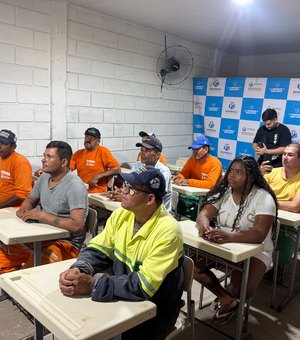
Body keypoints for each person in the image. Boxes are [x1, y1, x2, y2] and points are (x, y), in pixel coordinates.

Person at [59, 166, 184, 340]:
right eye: (125, 184)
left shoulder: (168, 231)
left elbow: (144, 287)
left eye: (131, 189)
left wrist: (92, 284)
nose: (122, 190)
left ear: (149, 199)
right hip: (124, 294)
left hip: (156, 307)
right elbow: (98, 249)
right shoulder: (121, 215)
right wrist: (81, 269)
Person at [194, 155, 277, 325]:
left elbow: (259, 234)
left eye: (239, 172)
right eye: (231, 170)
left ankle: (230, 296)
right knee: (193, 266)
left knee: (241, 290)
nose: (231, 175)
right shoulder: (225, 192)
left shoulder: (263, 198)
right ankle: (226, 299)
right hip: (226, 246)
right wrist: (204, 225)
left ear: (251, 176)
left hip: (256, 250)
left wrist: (228, 236)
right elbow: (204, 214)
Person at [0, 141, 88, 273]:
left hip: (64, 243)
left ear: (63, 162)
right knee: (3, 261)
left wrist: (42, 215)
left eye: (49, 157)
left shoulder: (74, 186)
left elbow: (77, 226)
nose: (43, 160)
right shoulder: (45, 176)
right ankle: (13, 283)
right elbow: (30, 199)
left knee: (29, 275)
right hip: (40, 236)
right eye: (44, 155)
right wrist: (25, 207)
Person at [261, 143, 300, 269]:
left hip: (288, 225)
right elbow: (259, 196)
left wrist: (269, 202)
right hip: (266, 216)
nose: (285, 157)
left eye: (290, 155)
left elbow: (295, 206)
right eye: (284, 154)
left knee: (281, 256)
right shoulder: (272, 172)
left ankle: (276, 266)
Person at [111, 135, 172, 212]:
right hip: (140, 209)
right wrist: (122, 191)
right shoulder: (138, 165)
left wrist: (125, 196)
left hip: (157, 213)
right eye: (142, 149)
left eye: (147, 150)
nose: (142, 153)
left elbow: (153, 198)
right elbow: (129, 185)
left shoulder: (163, 171)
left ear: (157, 155)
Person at [0, 129, 32, 208]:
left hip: (13, 208)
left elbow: (22, 195)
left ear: (13, 147)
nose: (0, 146)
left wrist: (1, 206)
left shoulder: (20, 162)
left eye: (4, 144)